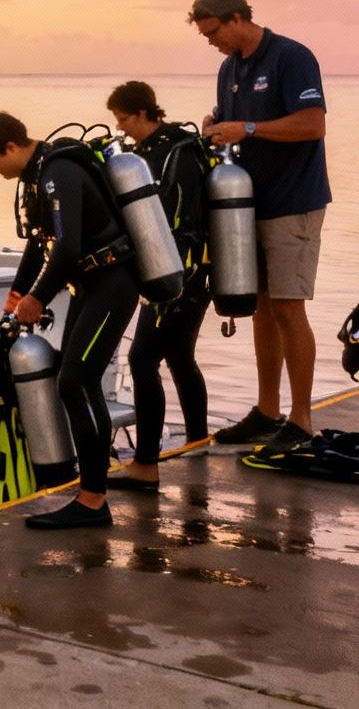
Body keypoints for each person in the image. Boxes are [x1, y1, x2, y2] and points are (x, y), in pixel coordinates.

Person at [0, 111, 142, 529]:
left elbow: (67, 247)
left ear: (11, 147)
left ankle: (93, 500)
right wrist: (18, 295)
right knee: (74, 377)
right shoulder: (37, 177)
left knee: (75, 381)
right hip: (91, 286)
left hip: (112, 283)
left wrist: (38, 298)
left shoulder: (58, 171)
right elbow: (37, 246)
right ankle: (92, 489)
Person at [189, 0, 330, 452]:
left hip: (295, 201)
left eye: (213, 33)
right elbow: (233, 127)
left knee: (290, 307)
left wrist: (248, 127)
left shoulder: (291, 56)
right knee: (262, 308)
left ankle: (302, 419)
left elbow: (313, 124)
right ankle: (267, 411)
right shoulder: (229, 68)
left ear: (235, 18)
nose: (212, 42)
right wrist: (217, 128)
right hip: (248, 205)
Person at [106, 81, 211, 488]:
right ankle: (198, 441)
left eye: (124, 120)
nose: (122, 128)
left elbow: (180, 222)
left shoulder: (176, 154)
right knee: (181, 356)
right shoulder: (151, 153)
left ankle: (146, 465)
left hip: (179, 275)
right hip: (183, 273)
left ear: (144, 113)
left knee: (142, 360)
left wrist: (168, 279)